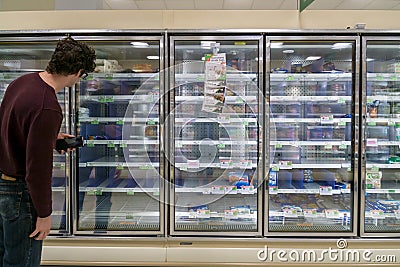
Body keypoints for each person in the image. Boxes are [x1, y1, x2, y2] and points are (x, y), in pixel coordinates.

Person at [0, 36, 96, 266]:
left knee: (6, 256)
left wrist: (49, 139)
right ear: (78, 71)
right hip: (20, 194)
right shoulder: (48, 106)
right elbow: (38, 170)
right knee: (23, 261)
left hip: (3, 184)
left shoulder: (22, 82)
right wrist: (44, 214)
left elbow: (10, 128)